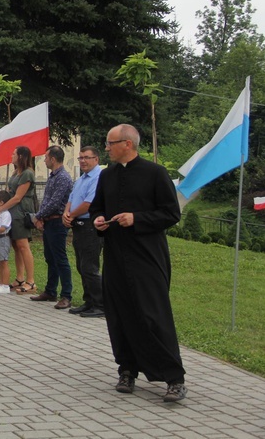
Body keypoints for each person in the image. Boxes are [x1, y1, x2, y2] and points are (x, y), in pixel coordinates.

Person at [90, 124, 187, 403]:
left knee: (153, 314)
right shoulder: (106, 176)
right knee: (120, 314)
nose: (106, 148)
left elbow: (171, 213)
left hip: (147, 255)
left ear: (128, 144)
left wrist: (137, 219)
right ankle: (127, 369)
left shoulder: (155, 173)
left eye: (110, 143)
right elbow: (98, 207)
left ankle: (174, 378)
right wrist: (98, 220)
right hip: (116, 254)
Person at [63, 146, 104, 318]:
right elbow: (71, 199)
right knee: (81, 266)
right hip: (78, 225)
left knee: (90, 267)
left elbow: (89, 204)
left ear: (96, 159)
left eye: (87, 158)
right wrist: (66, 214)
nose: (83, 161)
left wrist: (70, 215)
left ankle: (101, 305)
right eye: (80, 158)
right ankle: (89, 301)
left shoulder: (98, 178)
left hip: (90, 226)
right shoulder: (81, 179)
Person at [30, 146, 73, 309]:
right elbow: (47, 200)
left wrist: (38, 216)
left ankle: (66, 295)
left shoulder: (63, 178)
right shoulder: (53, 177)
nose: (45, 160)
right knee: (50, 257)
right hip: (49, 222)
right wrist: (41, 217)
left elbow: (55, 202)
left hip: (57, 222)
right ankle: (50, 291)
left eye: (46, 157)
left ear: (53, 159)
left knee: (60, 258)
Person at [0, 146, 37, 294]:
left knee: (23, 245)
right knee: (16, 246)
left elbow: (17, 197)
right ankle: (19, 278)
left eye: (14, 154)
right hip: (12, 214)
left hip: (21, 213)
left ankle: (31, 281)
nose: (11, 156)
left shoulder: (27, 174)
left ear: (21, 157)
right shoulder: (15, 173)